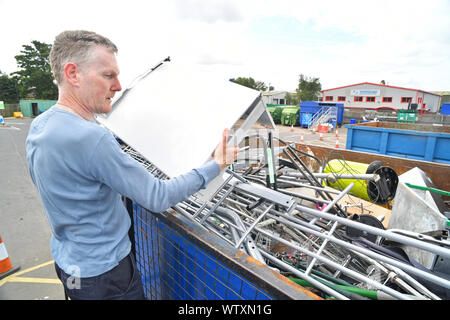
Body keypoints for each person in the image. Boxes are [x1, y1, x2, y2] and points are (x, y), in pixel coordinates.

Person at [25, 30, 238, 300]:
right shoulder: (93, 138)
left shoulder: (40, 126)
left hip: (70, 267)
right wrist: (216, 165)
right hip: (106, 277)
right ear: (73, 74)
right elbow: (158, 196)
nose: (117, 85)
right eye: (108, 75)